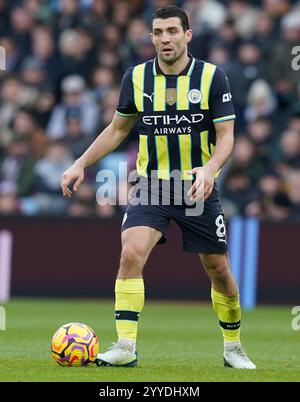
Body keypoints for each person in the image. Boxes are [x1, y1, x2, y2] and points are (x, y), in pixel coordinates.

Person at [61, 5, 256, 370]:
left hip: (196, 188)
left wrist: (211, 168)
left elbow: (227, 136)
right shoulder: (136, 78)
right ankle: (125, 346)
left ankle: (233, 347)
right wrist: (80, 163)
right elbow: (118, 129)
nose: (164, 38)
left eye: (171, 31)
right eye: (157, 32)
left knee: (219, 270)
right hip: (150, 185)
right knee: (131, 253)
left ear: (187, 35)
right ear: (150, 37)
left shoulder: (213, 77)